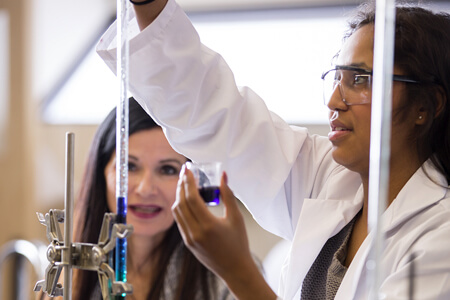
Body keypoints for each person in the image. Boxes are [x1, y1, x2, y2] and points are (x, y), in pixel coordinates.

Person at [97, 0, 450, 299]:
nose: (333, 101)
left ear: (426, 105)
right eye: (337, 78)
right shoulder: (329, 177)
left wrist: (239, 272)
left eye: (360, 80)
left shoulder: (440, 237)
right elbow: (215, 113)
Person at [37, 98, 235, 299]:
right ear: (102, 174)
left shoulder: (228, 278)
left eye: (167, 169)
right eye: (129, 166)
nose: (146, 189)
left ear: (194, 180)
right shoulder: (66, 275)